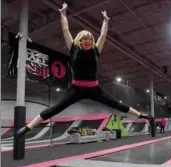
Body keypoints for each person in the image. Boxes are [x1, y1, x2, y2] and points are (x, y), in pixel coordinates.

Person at [17, 2, 153, 138]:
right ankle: (27, 128)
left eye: (89, 39)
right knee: (55, 109)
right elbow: (65, 29)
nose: (87, 41)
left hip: (94, 89)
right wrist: (63, 14)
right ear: (80, 40)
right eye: (84, 39)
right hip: (76, 89)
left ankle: (142, 115)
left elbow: (103, 35)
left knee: (116, 104)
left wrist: (106, 21)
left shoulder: (96, 50)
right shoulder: (73, 48)